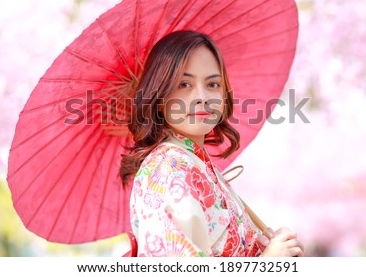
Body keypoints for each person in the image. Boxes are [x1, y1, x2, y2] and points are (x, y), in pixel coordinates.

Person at [120, 30, 303, 257]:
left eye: (213, 84)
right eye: (184, 84)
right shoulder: (168, 168)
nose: (202, 96)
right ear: (158, 97)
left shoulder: (199, 166)